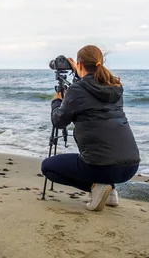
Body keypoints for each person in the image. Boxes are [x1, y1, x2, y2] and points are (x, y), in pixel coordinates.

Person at [41, 45, 140, 211]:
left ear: (79, 65)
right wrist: (77, 74)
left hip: (101, 167)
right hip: (130, 166)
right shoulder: (115, 86)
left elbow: (58, 122)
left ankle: (97, 187)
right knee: (106, 152)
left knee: (48, 167)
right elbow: (90, 91)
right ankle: (111, 192)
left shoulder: (77, 90)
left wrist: (56, 101)